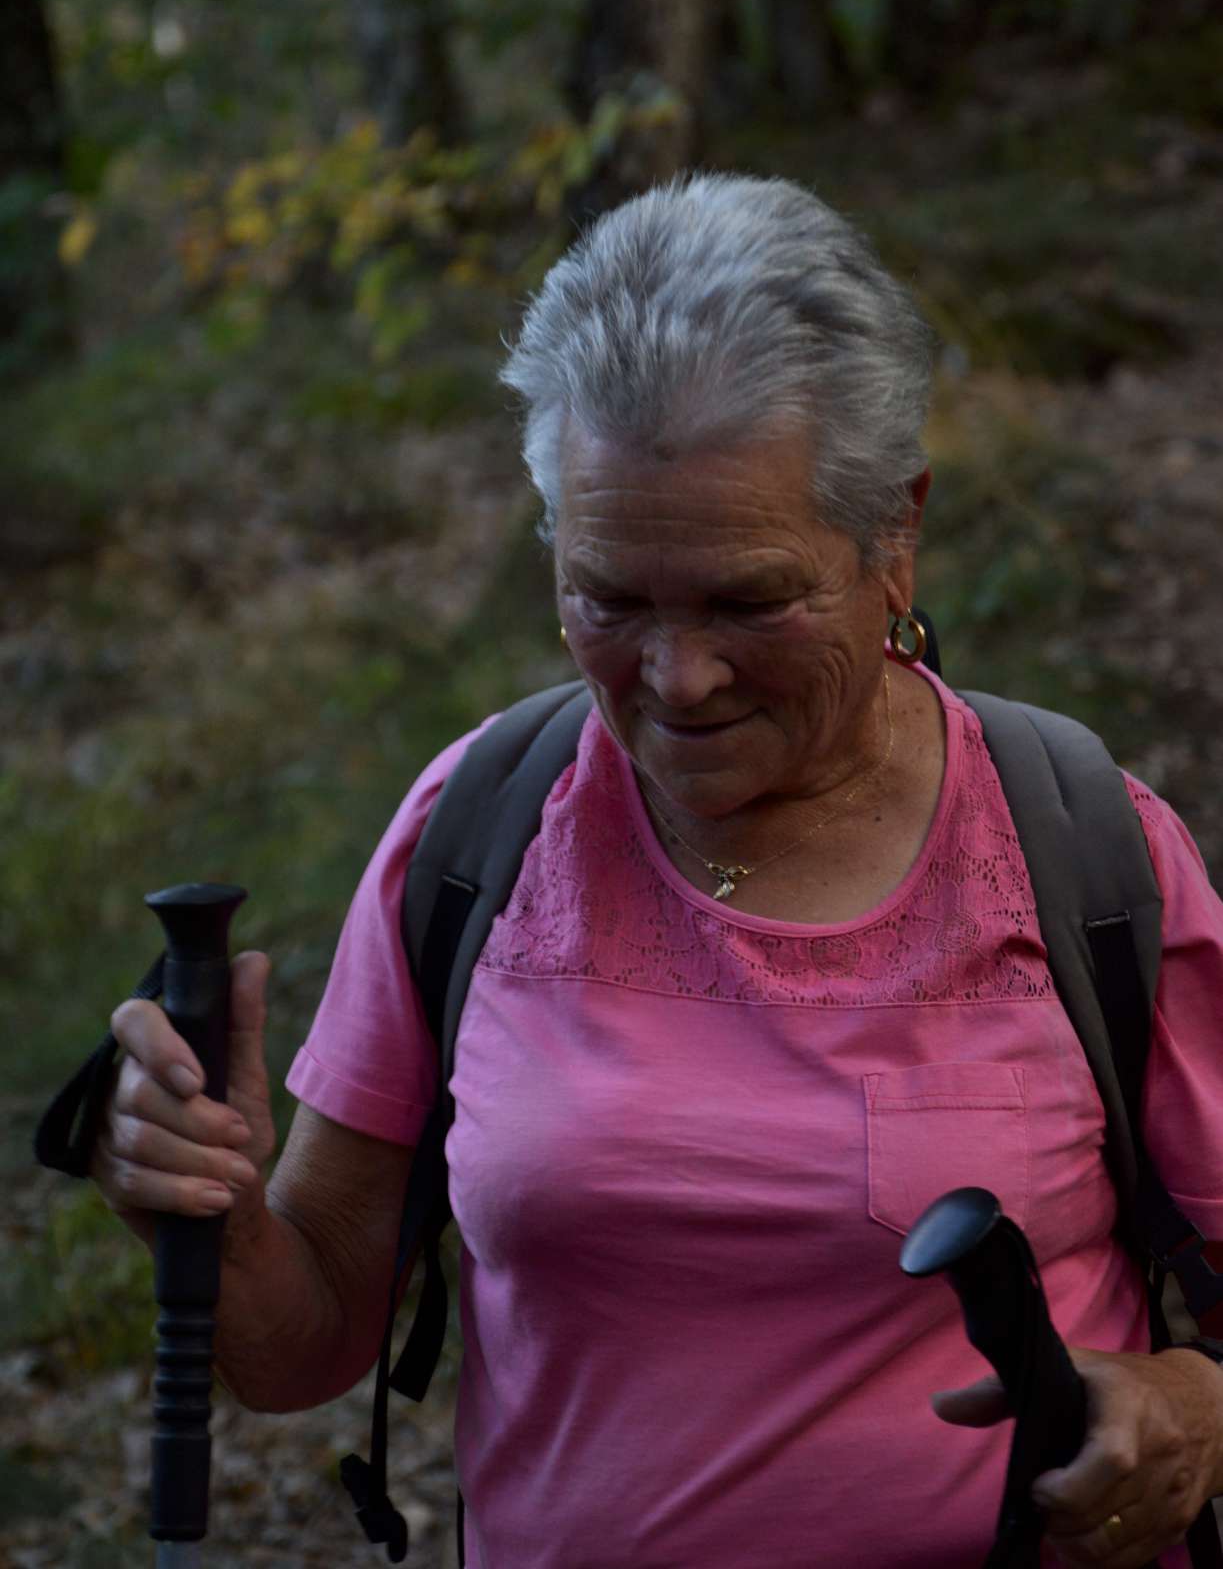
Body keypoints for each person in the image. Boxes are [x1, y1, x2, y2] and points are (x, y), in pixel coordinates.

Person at [93, 173, 1223, 1569]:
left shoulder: (1083, 852)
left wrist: (1196, 1408)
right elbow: (303, 1342)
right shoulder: (480, 833)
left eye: (751, 600)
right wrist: (204, 1221)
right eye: (609, 597)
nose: (678, 679)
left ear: (895, 537)